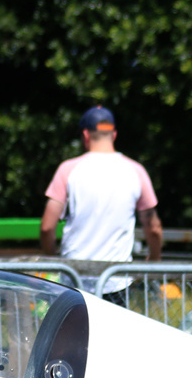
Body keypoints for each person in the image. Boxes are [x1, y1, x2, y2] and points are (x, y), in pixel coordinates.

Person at [39, 106, 163, 304]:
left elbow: (47, 227)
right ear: (114, 134)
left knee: (75, 335)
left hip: (74, 278)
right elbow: (153, 228)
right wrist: (154, 259)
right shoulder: (136, 171)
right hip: (116, 280)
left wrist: (53, 260)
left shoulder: (68, 170)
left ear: (85, 135)